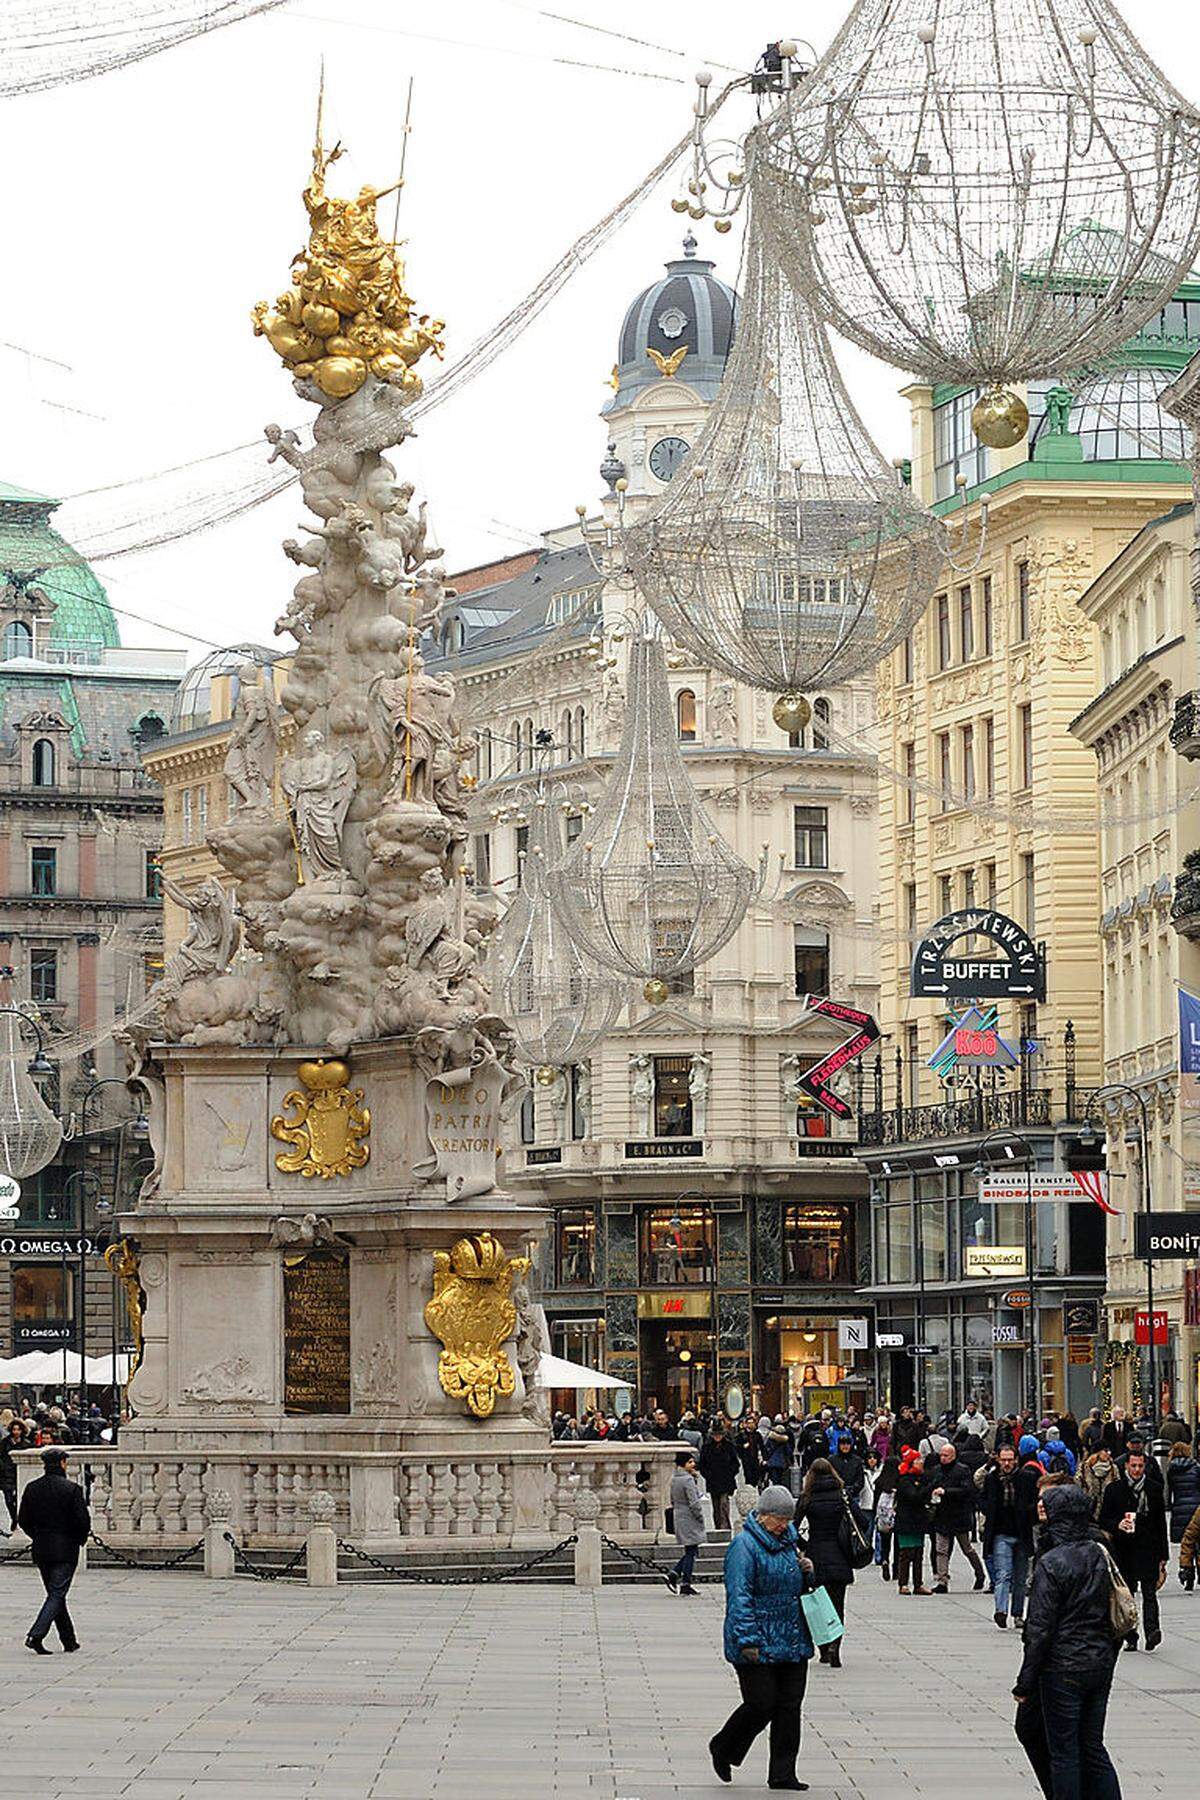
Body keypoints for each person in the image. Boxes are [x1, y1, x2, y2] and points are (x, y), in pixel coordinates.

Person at [1012, 1484, 1122, 1800]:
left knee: (1064, 1752)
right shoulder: (1100, 1552)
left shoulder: (1053, 1561)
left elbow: (1040, 1630)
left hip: (1063, 1667)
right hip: (1099, 1662)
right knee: (1092, 1745)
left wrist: (1025, 1681)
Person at [710, 1484, 816, 1791]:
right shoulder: (744, 1546)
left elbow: (799, 1585)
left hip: (792, 1636)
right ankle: (724, 1747)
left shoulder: (790, 1543)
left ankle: (783, 1773)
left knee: (789, 1707)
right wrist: (747, 1640)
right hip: (756, 1639)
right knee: (761, 1703)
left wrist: (807, 1571)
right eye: (778, 1519)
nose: (784, 1525)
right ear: (763, 1515)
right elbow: (739, 1596)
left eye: (787, 1519)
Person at [17, 1446, 90, 1654]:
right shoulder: (71, 1489)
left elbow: (23, 1520)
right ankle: (36, 1634)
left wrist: (38, 1536)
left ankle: (69, 1640)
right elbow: (82, 1521)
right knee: (57, 1593)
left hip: (41, 1548)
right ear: (62, 1463)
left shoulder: (32, 1488)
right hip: (65, 1549)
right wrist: (78, 1539)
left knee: (55, 1593)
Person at [1098, 1447, 1168, 1652]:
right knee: (1126, 1595)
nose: (1137, 1470)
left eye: (1140, 1466)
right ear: (1127, 1466)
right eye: (1134, 1466)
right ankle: (1130, 1634)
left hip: (1148, 1549)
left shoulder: (1153, 1489)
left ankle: (1153, 1631)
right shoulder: (1115, 1489)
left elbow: (1160, 1524)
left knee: (1149, 1594)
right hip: (1124, 1549)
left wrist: (1163, 1555)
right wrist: (1117, 1524)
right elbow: (1103, 1519)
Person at [794, 1456, 855, 1670]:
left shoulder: (807, 1497)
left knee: (818, 1604)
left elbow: (793, 1527)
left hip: (816, 1554)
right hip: (839, 1554)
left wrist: (804, 1544)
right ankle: (835, 1648)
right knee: (838, 1605)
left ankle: (823, 1649)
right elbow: (862, 1521)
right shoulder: (842, 1495)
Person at [980, 1444, 1038, 1629]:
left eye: (1009, 1460)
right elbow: (982, 1499)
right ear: (998, 1459)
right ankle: (1001, 1611)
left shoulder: (1026, 1478)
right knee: (1003, 1574)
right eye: (1003, 1460)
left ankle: (1018, 1613)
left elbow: (1034, 1502)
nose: (1006, 1463)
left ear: (1015, 1460)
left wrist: (1028, 1512)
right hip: (1000, 1533)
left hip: (1021, 1533)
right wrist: (988, 1509)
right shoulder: (992, 1479)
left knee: (1020, 1578)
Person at [928, 1442, 987, 1593]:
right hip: (942, 1515)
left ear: (953, 1456)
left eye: (946, 1455)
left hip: (959, 1515)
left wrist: (946, 1492)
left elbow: (967, 1490)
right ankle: (942, 1581)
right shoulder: (936, 1471)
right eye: (941, 1455)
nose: (943, 1458)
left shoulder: (962, 1470)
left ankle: (980, 1574)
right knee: (941, 1550)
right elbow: (930, 1485)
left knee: (967, 1548)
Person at [666, 1450, 706, 1596]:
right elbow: (693, 1501)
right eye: (690, 1462)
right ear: (684, 1464)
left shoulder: (675, 1479)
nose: (693, 1464)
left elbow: (672, 1499)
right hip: (689, 1517)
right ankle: (685, 1582)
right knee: (691, 1551)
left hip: (679, 1514)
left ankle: (675, 1574)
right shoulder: (687, 1480)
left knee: (691, 1549)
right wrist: (700, 1516)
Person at [895, 1446, 931, 1594]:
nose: (921, 1462)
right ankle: (903, 1583)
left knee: (918, 1553)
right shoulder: (904, 1480)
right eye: (917, 1460)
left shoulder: (921, 1478)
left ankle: (918, 1584)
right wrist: (928, 1488)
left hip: (918, 1520)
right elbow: (914, 1496)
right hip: (906, 1521)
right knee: (906, 1553)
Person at [700, 1424, 741, 1532]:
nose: (717, 1437)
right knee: (715, 1505)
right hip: (713, 1480)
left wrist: (731, 1473)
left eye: (719, 1434)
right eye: (715, 1435)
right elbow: (702, 1465)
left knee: (724, 1503)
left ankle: (725, 1526)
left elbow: (735, 1463)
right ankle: (717, 1526)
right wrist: (708, 1475)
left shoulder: (729, 1446)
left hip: (726, 1479)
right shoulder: (707, 1447)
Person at [1166, 1441, 1200, 1546]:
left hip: (1179, 1507)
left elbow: (1170, 1490)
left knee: (1184, 1542)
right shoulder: (1196, 1467)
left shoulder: (1171, 1470)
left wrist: (1169, 1506)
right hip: (1195, 1506)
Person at [873, 1454, 898, 1579]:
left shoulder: (880, 1481)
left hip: (883, 1516)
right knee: (897, 1543)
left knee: (885, 1542)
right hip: (896, 1515)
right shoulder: (899, 1480)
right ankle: (896, 1567)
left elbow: (875, 1500)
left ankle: (884, 1559)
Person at [1081, 1449, 1120, 1523]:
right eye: (1105, 1450)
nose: (1107, 1453)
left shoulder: (1113, 1468)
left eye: (1108, 1451)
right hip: (1088, 1509)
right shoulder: (1085, 1467)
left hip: (1107, 1510)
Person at [0, 1417, 25, 1528]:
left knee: (18, 1498)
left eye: (18, 1429)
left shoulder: (25, 1443)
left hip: (19, 1473)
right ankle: (14, 1518)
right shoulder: (4, 1443)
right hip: (6, 1474)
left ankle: (18, 1519)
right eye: (14, 1429)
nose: (16, 1432)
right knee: (9, 1499)